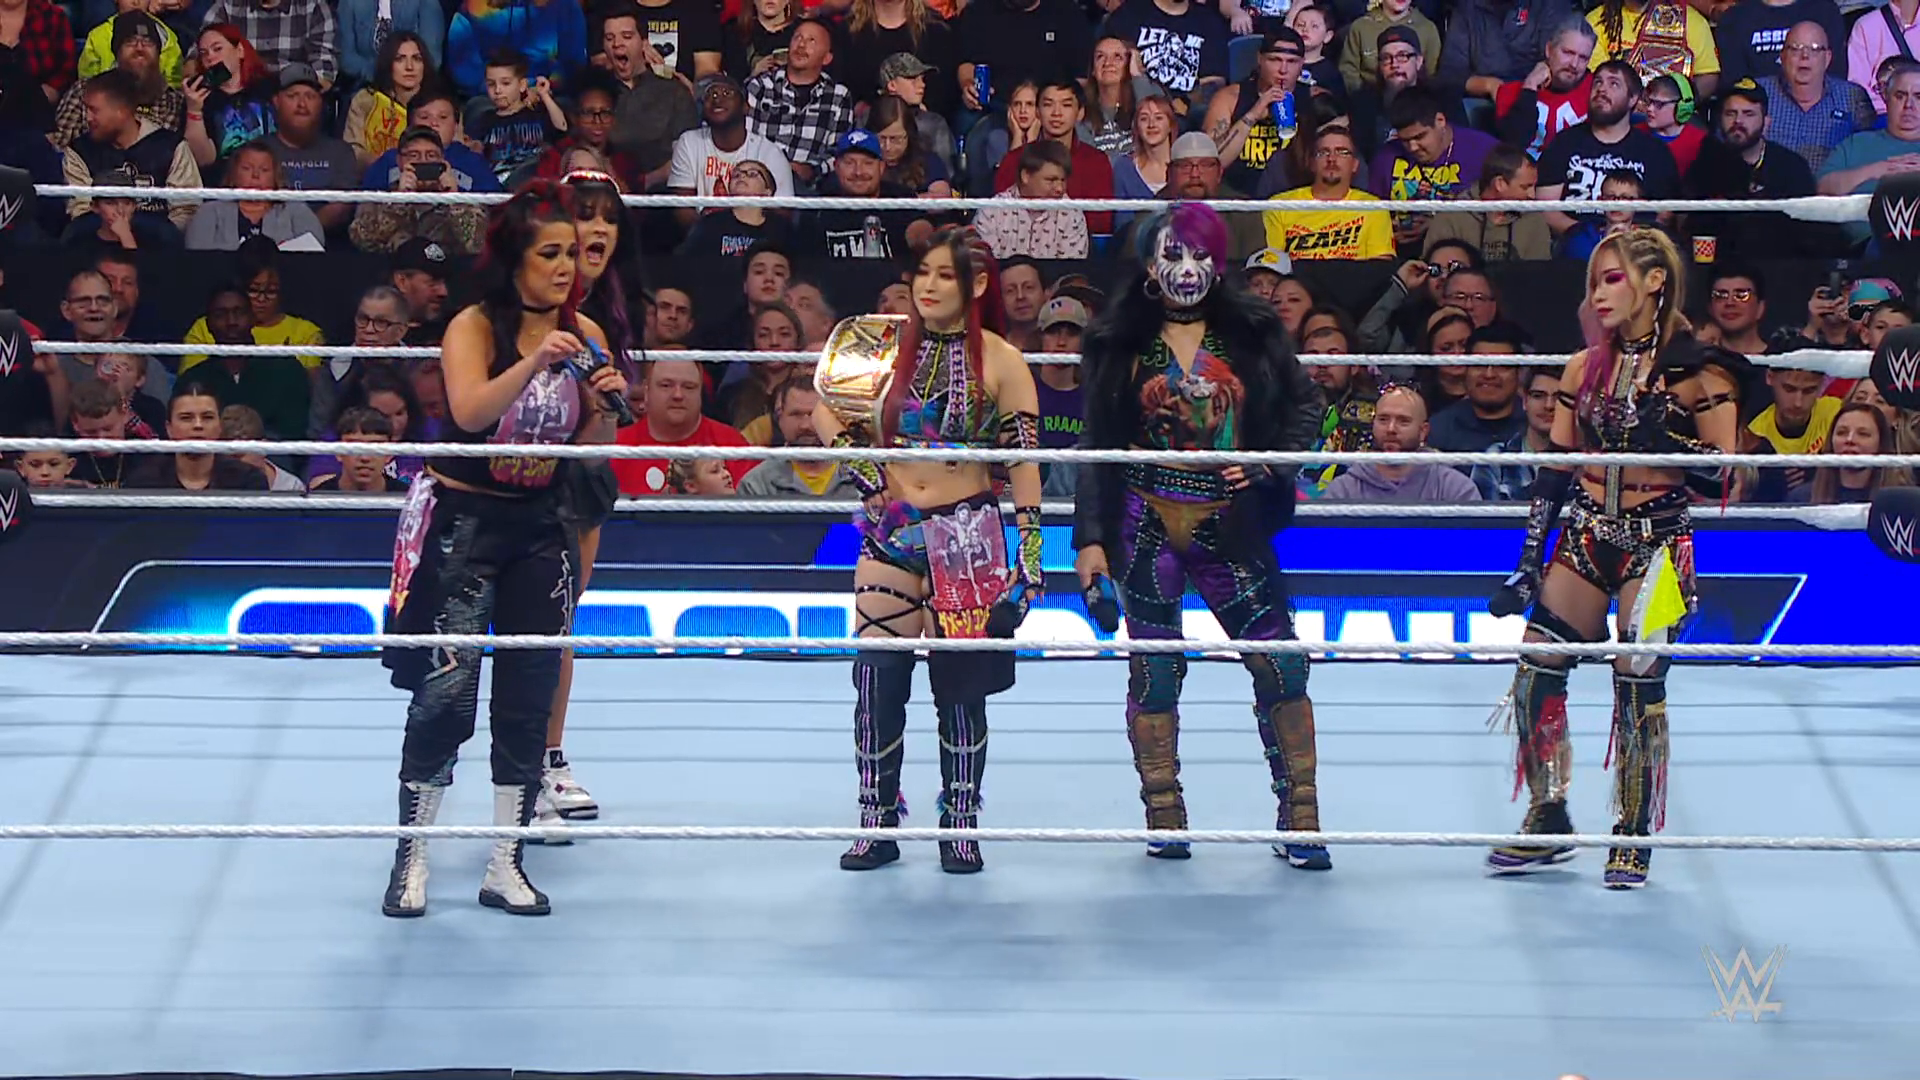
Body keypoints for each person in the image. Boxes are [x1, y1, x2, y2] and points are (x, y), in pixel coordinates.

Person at [379, 180, 629, 919]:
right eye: (549, 253)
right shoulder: (474, 326)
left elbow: (591, 447)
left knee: (527, 696)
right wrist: (533, 362)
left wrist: (606, 406)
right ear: (516, 258)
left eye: (571, 254)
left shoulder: (586, 332)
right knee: (445, 694)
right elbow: (468, 412)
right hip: (465, 523)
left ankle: (505, 863)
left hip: (541, 522)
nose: (565, 267)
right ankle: (411, 858)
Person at [1070, 203, 1331, 869]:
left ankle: (1301, 813)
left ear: (1219, 264)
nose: (1186, 270)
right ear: (1148, 263)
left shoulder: (1254, 330)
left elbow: (1307, 403)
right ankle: (1164, 812)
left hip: (1229, 517)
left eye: (1199, 255)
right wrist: (1089, 539)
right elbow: (1096, 441)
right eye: (1173, 255)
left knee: (1281, 661)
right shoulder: (1115, 340)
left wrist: (1271, 462)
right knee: (1156, 668)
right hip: (1144, 516)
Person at [1486, 227, 1745, 890]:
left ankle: (1632, 831)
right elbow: (1556, 469)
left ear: (1655, 282)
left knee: (1637, 680)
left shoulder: (1698, 372)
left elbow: (1726, 476)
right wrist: (1528, 559)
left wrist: (1671, 444)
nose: (1598, 294)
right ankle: (1548, 814)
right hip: (1586, 532)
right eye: (1594, 282)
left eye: (1613, 279)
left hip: (1658, 540)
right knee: (1536, 667)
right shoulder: (1582, 367)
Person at [811, 225, 1043, 875]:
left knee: (961, 689)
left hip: (967, 536)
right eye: (923, 272)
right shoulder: (879, 343)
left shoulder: (1003, 361)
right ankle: (876, 819)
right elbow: (826, 410)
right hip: (892, 531)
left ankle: (961, 821)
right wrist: (865, 472)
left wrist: (1029, 561)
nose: (929, 285)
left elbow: (1025, 465)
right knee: (876, 679)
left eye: (945, 274)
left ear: (976, 284)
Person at [532, 168, 641, 833]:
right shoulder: (511, 314)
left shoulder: (598, 323)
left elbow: (601, 437)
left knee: (558, 622)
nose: (598, 229)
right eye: (585, 215)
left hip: (574, 483)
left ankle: (546, 762)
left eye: (608, 219)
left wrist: (603, 407)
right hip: (509, 480)